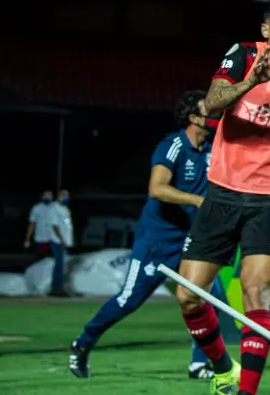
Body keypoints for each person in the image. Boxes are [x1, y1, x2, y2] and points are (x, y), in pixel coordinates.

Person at [175, 0, 270, 395]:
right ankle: (224, 369)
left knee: (256, 291)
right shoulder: (243, 55)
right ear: (265, 31)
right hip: (223, 192)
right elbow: (213, 101)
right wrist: (250, 83)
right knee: (188, 294)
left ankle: (247, 392)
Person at [68, 90, 225, 380]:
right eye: (208, 111)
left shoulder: (211, 149)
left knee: (211, 298)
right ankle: (82, 343)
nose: (215, 115)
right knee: (129, 300)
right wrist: (196, 201)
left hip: (190, 241)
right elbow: (157, 188)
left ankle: (199, 363)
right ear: (192, 118)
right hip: (157, 242)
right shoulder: (172, 146)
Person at [46, 189, 74, 297]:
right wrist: (61, 240)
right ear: (58, 196)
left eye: (67, 195)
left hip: (64, 241)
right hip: (57, 241)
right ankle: (57, 288)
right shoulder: (54, 208)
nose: (66, 197)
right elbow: (55, 225)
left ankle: (58, 287)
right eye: (64, 195)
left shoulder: (65, 209)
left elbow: (67, 225)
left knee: (61, 265)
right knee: (59, 265)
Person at [24, 190, 53, 260]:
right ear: (42, 197)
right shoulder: (36, 208)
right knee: (39, 261)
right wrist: (27, 239)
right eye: (45, 195)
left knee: (51, 262)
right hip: (40, 240)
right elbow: (32, 224)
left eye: (49, 195)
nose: (47, 197)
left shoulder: (55, 208)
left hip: (53, 240)